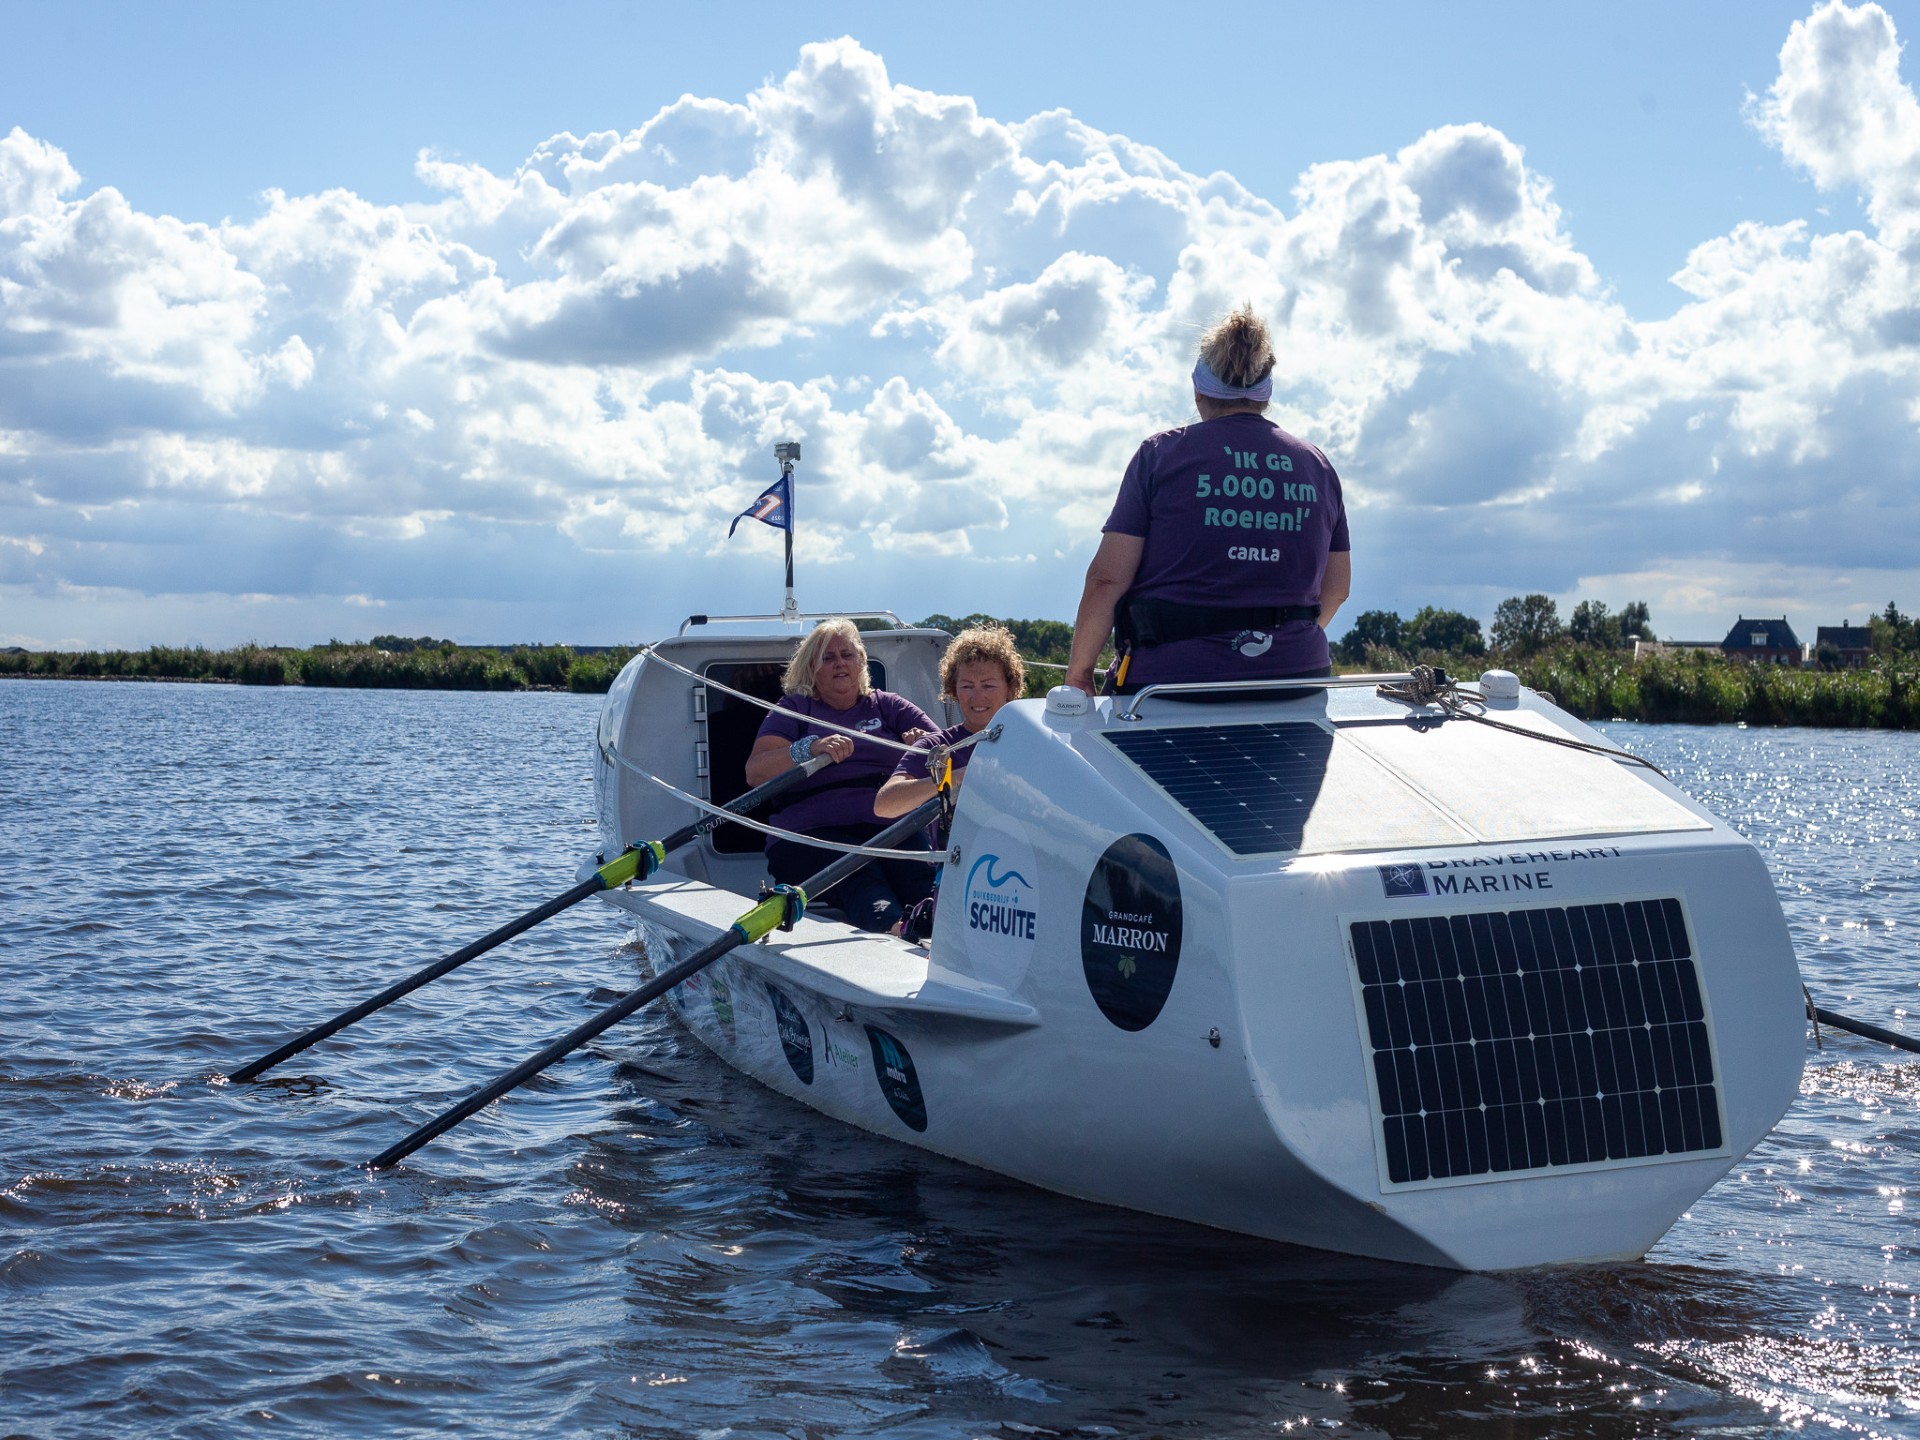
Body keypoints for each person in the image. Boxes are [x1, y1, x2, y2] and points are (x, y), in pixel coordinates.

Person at [1063, 305, 1351, 696]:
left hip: (1171, 683)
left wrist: (1079, 676)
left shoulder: (1160, 455)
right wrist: (1279, 644)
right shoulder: (1316, 465)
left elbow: (1107, 579)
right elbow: (1336, 589)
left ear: (1199, 390)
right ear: (1265, 394)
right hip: (1297, 677)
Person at [745, 619, 937, 932]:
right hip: (811, 833)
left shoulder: (888, 706)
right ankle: (894, 930)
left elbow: (946, 753)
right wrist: (810, 747)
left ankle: (938, 936)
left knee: (924, 885)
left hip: (891, 826)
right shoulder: (795, 708)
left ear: (861, 661)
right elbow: (755, 772)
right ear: (811, 668)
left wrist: (922, 745)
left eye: (847, 655)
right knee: (865, 883)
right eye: (828, 657)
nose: (840, 664)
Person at [875, 625, 1025, 819]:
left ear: (1010, 689)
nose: (977, 696)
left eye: (988, 685)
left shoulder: (1030, 741)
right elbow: (884, 805)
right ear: (954, 691)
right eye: (967, 686)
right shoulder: (935, 746)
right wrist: (957, 776)